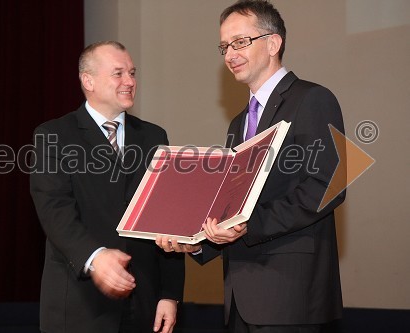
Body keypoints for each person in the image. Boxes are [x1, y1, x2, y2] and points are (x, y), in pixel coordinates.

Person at [156, 1, 345, 332]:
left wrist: (249, 225)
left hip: (291, 296)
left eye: (240, 42)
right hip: (238, 300)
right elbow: (234, 207)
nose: (230, 54)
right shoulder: (238, 123)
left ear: (273, 43)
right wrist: (198, 240)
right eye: (225, 46)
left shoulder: (312, 99)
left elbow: (328, 185)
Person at [30, 41, 185, 333]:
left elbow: (167, 217)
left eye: (132, 72)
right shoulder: (54, 135)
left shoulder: (153, 136)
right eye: (118, 73)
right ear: (88, 80)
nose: (129, 81)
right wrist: (96, 256)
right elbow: (54, 209)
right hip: (79, 305)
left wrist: (170, 293)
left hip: (145, 304)